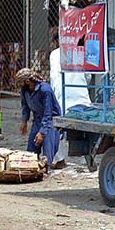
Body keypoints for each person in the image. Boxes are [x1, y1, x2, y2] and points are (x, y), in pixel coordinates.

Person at [49, 37, 91, 167]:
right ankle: (88, 159)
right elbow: (88, 76)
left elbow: (53, 77)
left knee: (59, 129)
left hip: (61, 97)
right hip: (81, 96)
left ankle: (59, 159)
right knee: (85, 130)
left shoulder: (54, 54)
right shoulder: (81, 52)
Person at [16, 68, 61, 167]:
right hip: (37, 119)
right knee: (31, 151)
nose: (20, 86)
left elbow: (48, 113)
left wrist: (42, 132)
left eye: (21, 83)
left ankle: (46, 167)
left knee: (48, 150)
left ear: (28, 81)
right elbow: (25, 106)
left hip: (51, 121)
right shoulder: (25, 91)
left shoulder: (45, 90)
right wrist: (24, 121)